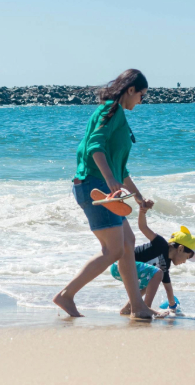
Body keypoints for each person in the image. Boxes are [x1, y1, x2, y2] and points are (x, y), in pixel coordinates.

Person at [53, 69, 156, 319]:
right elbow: (94, 146)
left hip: (105, 187)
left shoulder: (117, 114)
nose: (141, 101)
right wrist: (110, 180)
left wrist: (138, 196)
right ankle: (66, 295)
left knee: (128, 243)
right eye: (141, 95)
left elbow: (120, 167)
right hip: (95, 187)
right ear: (130, 90)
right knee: (113, 250)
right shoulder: (110, 111)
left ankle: (136, 305)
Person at [110, 204, 195, 315]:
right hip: (119, 264)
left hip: (126, 272)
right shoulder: (161, 244)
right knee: (156, 274)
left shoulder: (165, 266)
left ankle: (127, 308)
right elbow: (143, 227)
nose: (185, 262)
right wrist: (142, 211)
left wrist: (173, 306)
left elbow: (168, 288)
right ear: (181, 249)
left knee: (152, 279)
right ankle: (146, 307)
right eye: (187, 257)